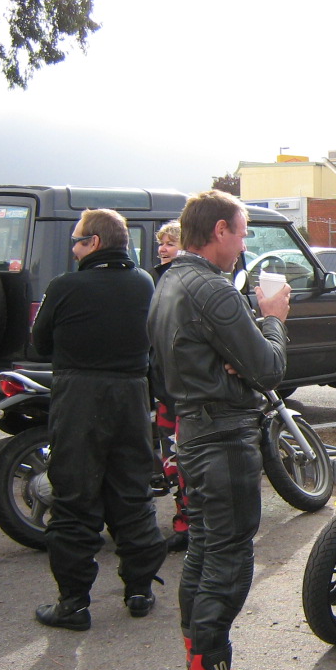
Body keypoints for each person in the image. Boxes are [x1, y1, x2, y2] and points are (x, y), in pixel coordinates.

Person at [148, 190, 288, 670]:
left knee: (205, 554)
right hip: (222, 438)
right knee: (226, 567)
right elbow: (269, 368)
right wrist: (272, 319)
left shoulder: (170, 281)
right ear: (220, 231)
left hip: (193, 430)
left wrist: (234, 360)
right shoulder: (211, 288)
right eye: (243, 231)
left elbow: (172, 365)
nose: (244, 242)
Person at [31, 208, 166, 631]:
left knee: (73, 499)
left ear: (93, 243)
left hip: (79, 395)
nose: (73, 249)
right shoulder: (144, 282)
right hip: (131, 395)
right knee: (132, 492)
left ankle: (73, 603)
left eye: (77, 241)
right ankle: (140, 589)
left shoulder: (65, 286)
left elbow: (39, 344)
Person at [150, 220, 190, 552]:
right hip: (165, 389)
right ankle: (184, 521)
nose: (163, 249)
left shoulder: (185, 282)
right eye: (161, 243)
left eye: (170, 243)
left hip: (185, 391)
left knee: (185, 460)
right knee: (173, 461)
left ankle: (189, 524)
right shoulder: (153, 280)